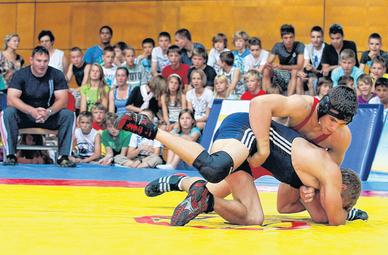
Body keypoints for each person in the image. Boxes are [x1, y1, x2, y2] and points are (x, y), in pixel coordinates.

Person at [114, 86, 362, 226]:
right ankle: (151, 130)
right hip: (256, 137)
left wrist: (310, 192)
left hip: (276, 161)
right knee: (214, 168)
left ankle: (189, 189)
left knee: (250, 216)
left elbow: (289, 205)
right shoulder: (303, 106)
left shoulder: (339, 142)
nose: (332, 129)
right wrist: (264, 147)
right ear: (324, 107)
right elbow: (260, 104)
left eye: (340, 124)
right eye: (331, 121)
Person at [0, 46, 76, 167]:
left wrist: (49, 112)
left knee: (68, 114)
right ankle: (10, 155)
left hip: (47, 116)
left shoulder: (56, 75)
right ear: (31, 60)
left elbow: (63, 100)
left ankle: (64, 156)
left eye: (45, 61)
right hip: (25, 116)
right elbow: (11, 99)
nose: (42, 64)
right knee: (7, 113)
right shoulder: (21, 74)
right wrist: (31, 111)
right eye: (38, 61)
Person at [262, 24, 304, 95]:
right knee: (266, 70)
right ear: (282, 38)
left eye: (291, 37)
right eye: (286, 38)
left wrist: (282, 66)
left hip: (293, 73)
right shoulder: (278, 46)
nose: (289, 40)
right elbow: (268, 63)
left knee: (294, 71)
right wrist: (272, 66)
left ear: (294, 37)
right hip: (281, 74)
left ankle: (288, 98)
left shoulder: (299, 46)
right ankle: (266, 96)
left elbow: (299, 66)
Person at [295, 26, 327, 96]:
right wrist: (302, 73)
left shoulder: (327, 49)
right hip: (312, 73)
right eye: (313, 37)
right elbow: (306, 64)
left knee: (311, 81)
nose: (315, 40)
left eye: (318, 37)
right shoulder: (308, 47)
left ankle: (313, 104)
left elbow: (325, 72)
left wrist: (314, 70)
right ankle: (302, 103)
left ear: (322, 38)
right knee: (299, 79)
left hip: (323, 75)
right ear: (310, 38)